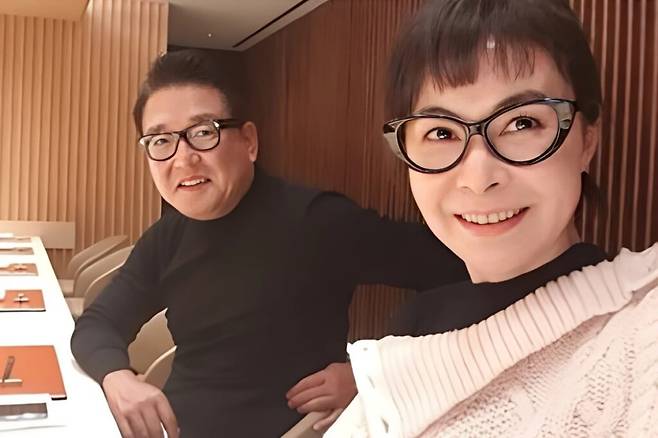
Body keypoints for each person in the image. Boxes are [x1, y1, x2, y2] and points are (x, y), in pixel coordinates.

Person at [70, 50, 472, 438]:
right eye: (160, 141)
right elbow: (98, 324)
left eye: (203, 133)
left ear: (249, 141)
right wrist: (117, 377)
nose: (183, 158)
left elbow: (463, 270)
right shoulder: (167, 238)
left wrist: (375, 372)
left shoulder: (317, 221)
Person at [326, 0, 658, 436]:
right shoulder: (404, 339)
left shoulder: (641, 327)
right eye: (441, 132)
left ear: (587, 141)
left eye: (522, 123)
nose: (479, 178)